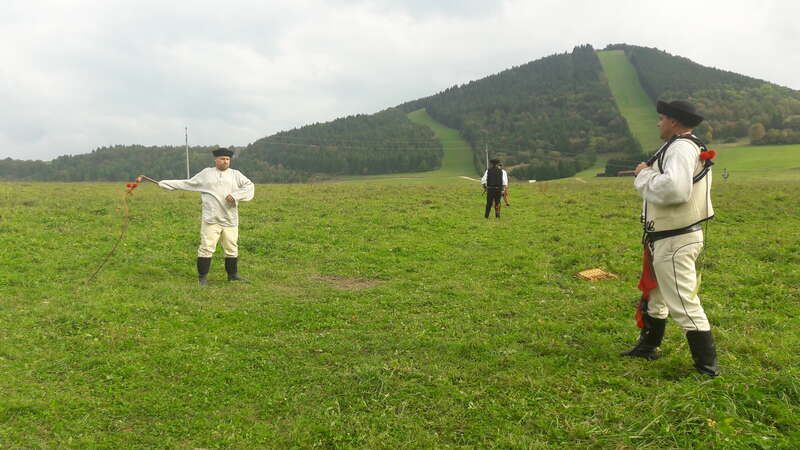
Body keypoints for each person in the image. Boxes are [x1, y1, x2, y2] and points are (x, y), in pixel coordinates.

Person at [621, 100, 719, 377]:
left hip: (676, 238)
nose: (658, 123)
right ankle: (648, 346)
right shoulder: (683, 146)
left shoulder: (680, 148)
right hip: (668, 237)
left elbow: (675, 190)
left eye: (662, 118)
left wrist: (644, 174)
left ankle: (707, 367)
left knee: (684, 303)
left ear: (674, 122)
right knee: (656, 296)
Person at [158, 148, 255, 285]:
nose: (225, 161)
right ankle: (202, 277)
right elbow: (188, 183)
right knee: (206, 248)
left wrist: (235, 196)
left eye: (227, 159)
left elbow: (250, 186)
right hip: (211, 219)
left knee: (232, 248)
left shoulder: (236, 175)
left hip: (230, 219)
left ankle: (232, 275)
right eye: (222, 159)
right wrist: (165, 184)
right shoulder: (206, 174)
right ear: (216, 159)